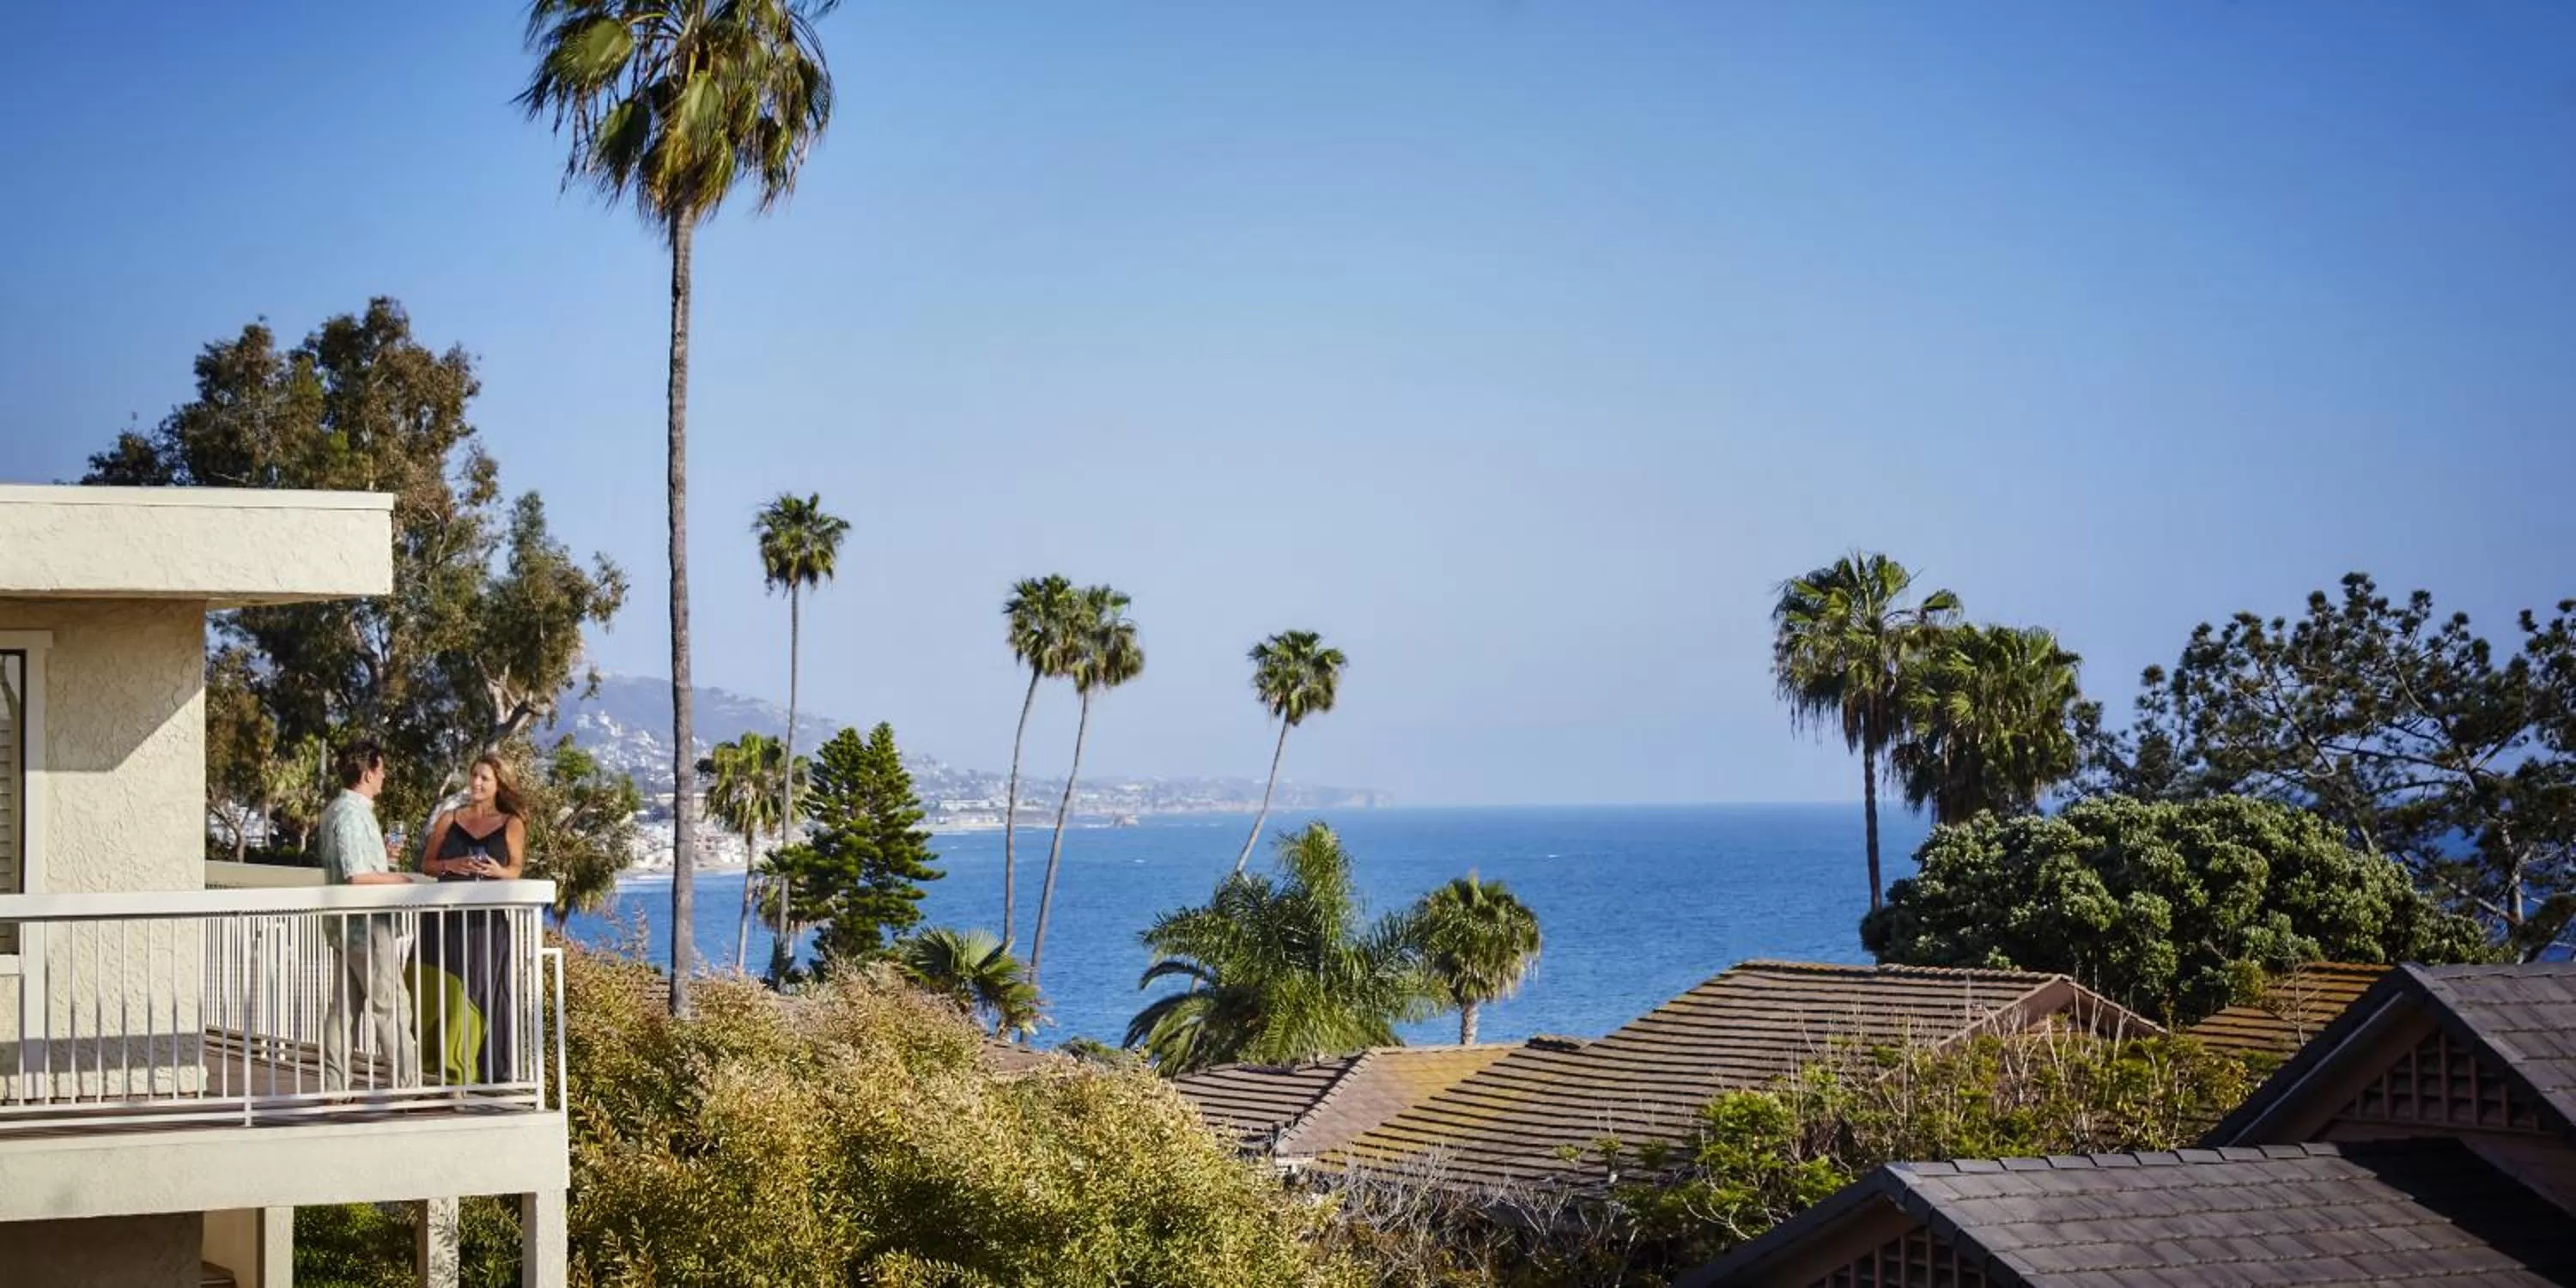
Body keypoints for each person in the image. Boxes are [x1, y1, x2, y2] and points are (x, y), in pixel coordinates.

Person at [416, 753, 527, 1085]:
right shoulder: (449, 819)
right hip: (444, 920)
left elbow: (516, 870)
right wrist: (455, 865)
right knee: (444, 989)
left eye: (485, 779)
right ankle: (440, 1067)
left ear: (499, 785)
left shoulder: (512, 823)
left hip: (485, 923)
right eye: (474, 775)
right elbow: (428, 865)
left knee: (481, 990)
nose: (477, 783)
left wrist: (497, 871)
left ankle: (485, 1071)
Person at [317, 738, 419, 1093]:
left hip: (343, 925)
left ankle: (335, 1087)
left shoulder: (335, 811)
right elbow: (356, 876)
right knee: (391, 1006)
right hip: (367, 926)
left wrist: (387, 861)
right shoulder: (352, 814)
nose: (384, 776)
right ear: (367, 771)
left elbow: (356, 868)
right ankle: (406, 1089)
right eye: (380, 769)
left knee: (343, 1009)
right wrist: (402, 879)